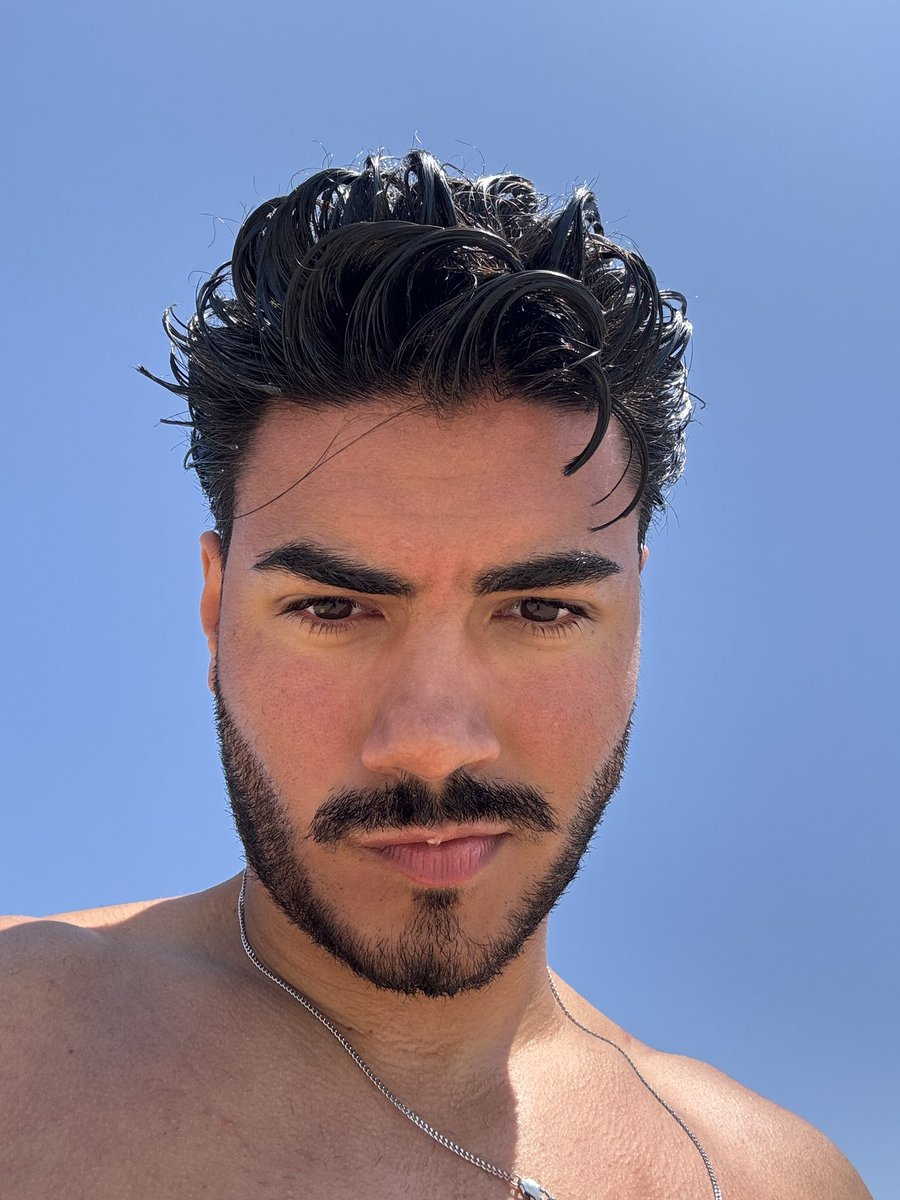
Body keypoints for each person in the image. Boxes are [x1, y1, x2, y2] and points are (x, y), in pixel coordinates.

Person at [0, 150, 871, 1200]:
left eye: (541, 610)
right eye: (333, 608)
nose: (432, 742)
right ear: (214, 609)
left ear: (635, 617)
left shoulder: (776, 1179)